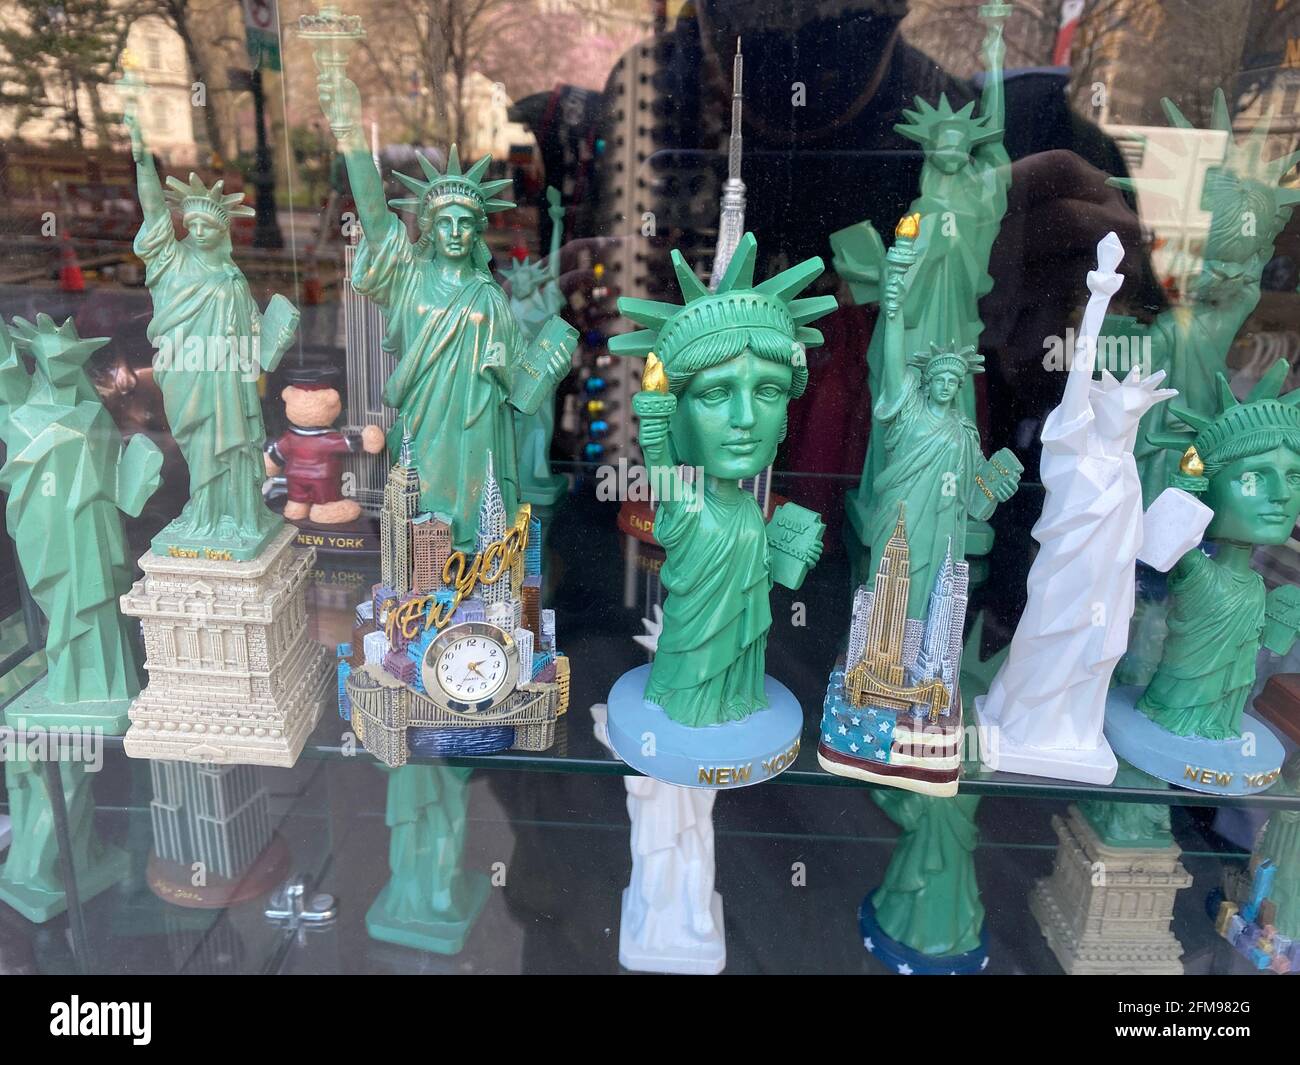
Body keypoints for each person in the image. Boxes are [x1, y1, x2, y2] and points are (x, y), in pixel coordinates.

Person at [612, 233, 836, 725]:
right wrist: (652, 420)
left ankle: (737, 695)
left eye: (770, 391)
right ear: (676, 416)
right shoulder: (684, 503)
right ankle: (691, 701)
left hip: (743, 654)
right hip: (692, 651)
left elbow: (756, 581)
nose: (745, 418)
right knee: (694, 668)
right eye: (715, 394)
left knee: (746, 643)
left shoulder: (753, 512)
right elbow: (658, 462)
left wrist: (791, 553)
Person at [126, 112, 291, 556]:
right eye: (191, 225)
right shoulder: (169, 262)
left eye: (208, 227)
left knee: (235, 448)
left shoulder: (233, 278)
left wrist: (273, 334)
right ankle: (205, 511)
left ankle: (238, 515)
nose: (197, 232)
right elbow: (154, 209)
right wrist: (144, 163)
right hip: (187, 372)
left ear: (222, 232)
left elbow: (250, 334)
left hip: (227, 378)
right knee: (200, 446)